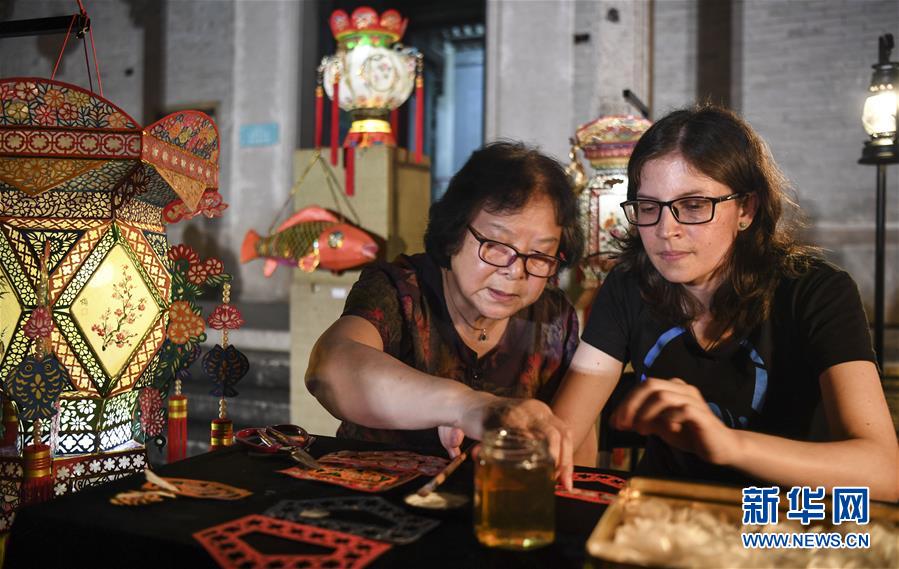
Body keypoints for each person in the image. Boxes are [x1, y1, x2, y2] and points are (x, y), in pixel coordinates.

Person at [552, 105, 899, 501]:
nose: (666, 230)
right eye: (649, 207)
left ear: (746, 209)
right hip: (663, 515)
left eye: (694, 205)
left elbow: (884, 472)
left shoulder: (816, 293)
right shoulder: (628, 284)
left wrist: (728, 443)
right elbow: (565, 429)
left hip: (780, 517)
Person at [305, 141, 583, 482]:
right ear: (454, 232)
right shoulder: (400, 291)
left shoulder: (554, 318)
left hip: (498, 502)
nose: (515, 271)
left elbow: (574, 450)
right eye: (496, 245)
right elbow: (328, 369)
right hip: (374, 497)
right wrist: (469, 406)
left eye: (539, 255)